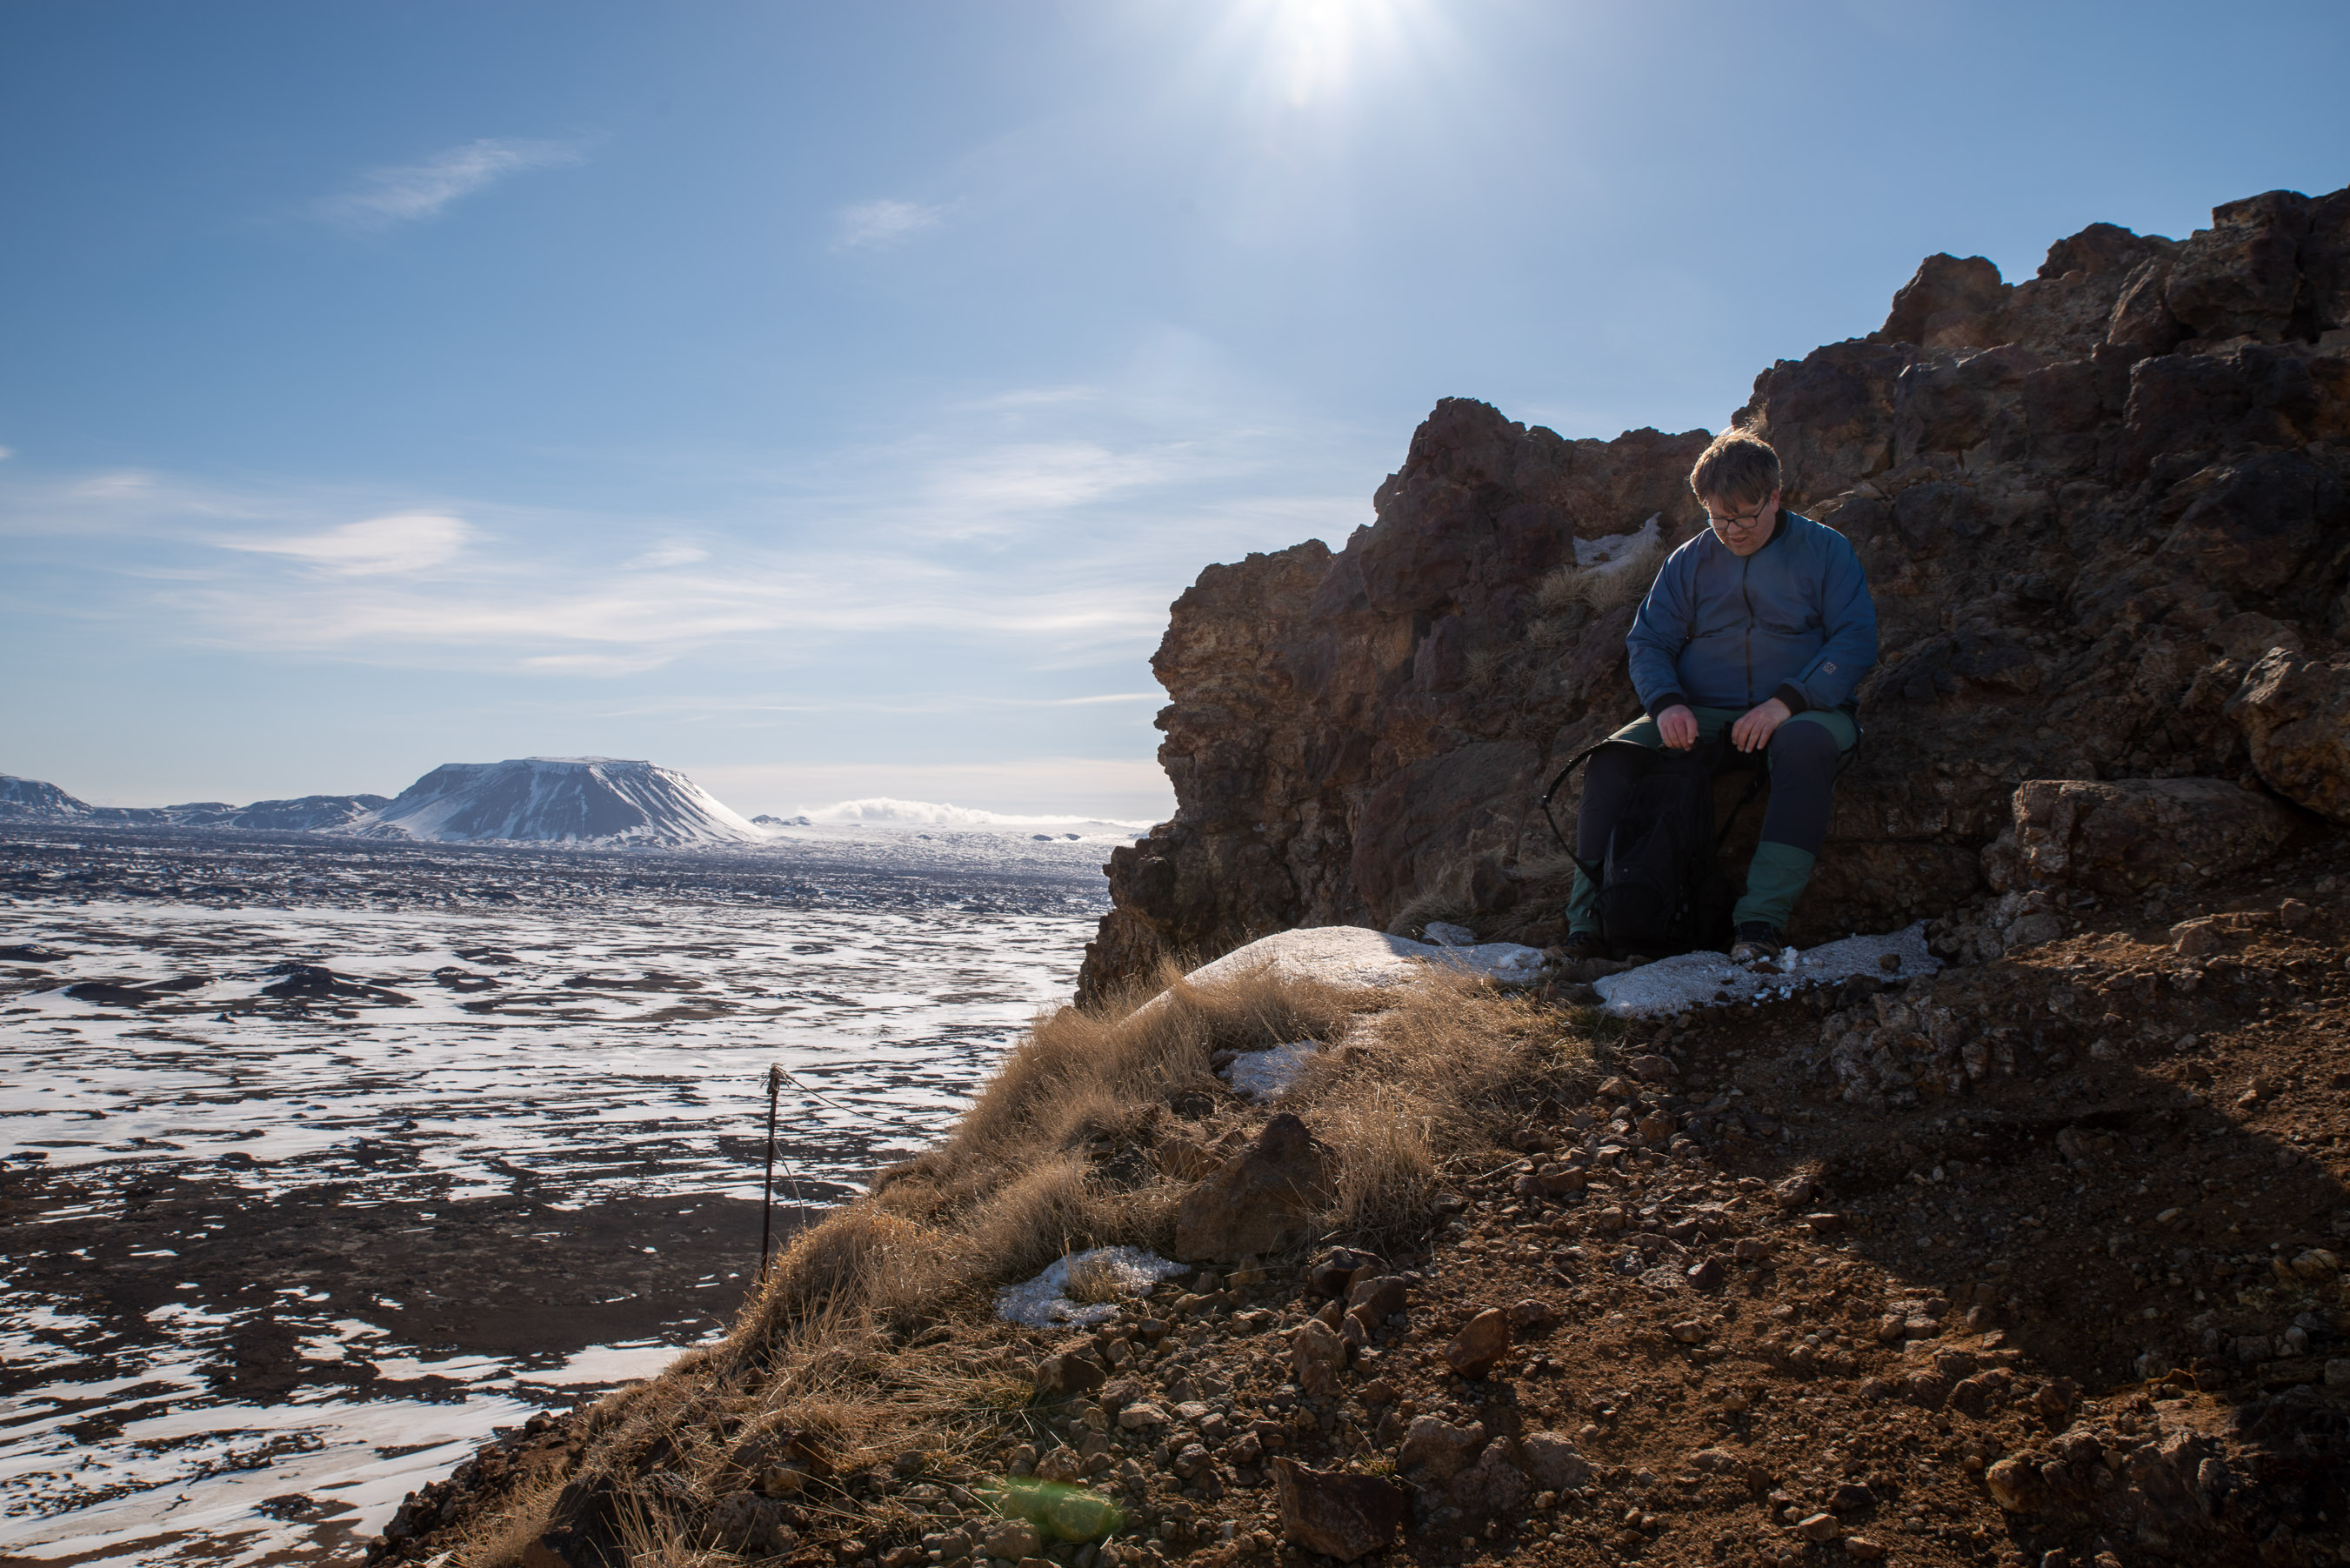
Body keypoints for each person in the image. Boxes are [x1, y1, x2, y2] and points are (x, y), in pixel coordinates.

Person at [1564, 428, 1878, 964]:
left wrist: (1787, 701)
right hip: (1703, 711)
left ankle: (1759, 923)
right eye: (1717, 518)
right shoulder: (1688, 560)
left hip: (1806, 711)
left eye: (1743, 517)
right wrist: (1667, 702)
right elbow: (1649, 641)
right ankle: (1585, 926)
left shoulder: (1826, 549)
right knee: (1611, 759)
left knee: (1804, 748)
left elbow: (1854, 640)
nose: (1731, 532)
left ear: (1775, 496)